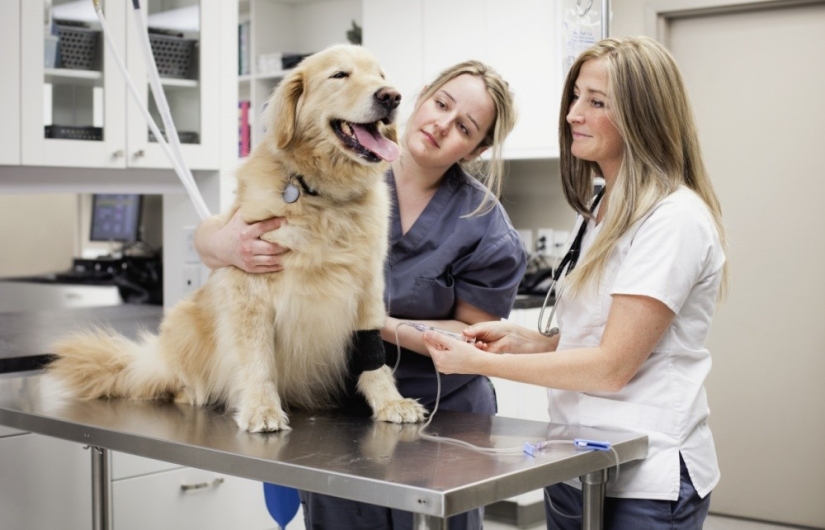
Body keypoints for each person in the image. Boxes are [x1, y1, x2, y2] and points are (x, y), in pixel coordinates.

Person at [194, 59, 528, 529]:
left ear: (476, 149)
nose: (441, 125)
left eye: (464, 127)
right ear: (420, 95)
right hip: (340, 411)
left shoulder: (485, 226)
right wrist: (218, 242)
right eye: (440, 104)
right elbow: (226, 228)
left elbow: (475, 338)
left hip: (443, 418)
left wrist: (367, 322)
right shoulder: (336, 157)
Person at [422, 36, 729, 530]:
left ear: (642, 116)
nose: (572, 115)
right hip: (575, 462)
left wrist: (477, 364)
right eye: (576, 97)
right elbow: (594, 338)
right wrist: (525, 342)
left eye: (596, 102)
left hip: (643, 478)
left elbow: (611, 368)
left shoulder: (674, 220)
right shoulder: (602, 209)